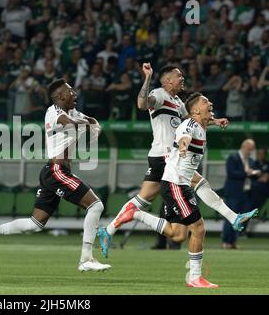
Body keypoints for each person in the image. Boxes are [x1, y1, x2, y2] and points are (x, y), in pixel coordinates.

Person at [98, 63, 257, 257]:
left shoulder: (177, 101)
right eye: (178, 76)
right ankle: (234, 218)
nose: (183, 78)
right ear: (167, 81)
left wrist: (215, 121)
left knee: (143, 202)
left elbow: (191, 121)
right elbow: (141, 104)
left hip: (164, 155)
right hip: (166, 154)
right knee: (199, 183)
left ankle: (109, 230)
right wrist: (147, 78)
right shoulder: (159, 94)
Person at [105, 93, 247, 287]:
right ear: (195, 110)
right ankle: (195, 278)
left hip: (176, 184)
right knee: (199, 228)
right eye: (205, 102)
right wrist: (182, 146)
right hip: (176, 186)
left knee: (178, 235)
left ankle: (136, 214)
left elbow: (197, 125)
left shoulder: (200, 125)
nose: (210, 103)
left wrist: (215, 121)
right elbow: (184, 135)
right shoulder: (190, 125)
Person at [0, 78, 110, 272]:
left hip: (54, 172)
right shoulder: (53, 112)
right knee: (96, 205)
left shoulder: (73, 111)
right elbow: (71, 123)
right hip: (56, 171)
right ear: (60, 96)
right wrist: (90, 125)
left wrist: (92, 123)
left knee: (35, 223)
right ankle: (86, 259)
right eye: (70, 92)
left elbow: (87, 121)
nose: (75, 94)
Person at [222, 139, 260, 249]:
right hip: (233, 193)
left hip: (246, 194)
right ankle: (226, 241)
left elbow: (254, 173)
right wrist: (246, 173)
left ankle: (233, 242)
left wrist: (255, 173)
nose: (250, 152)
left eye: (251, 150)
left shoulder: (251, 161)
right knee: (230, 217)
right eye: (249, 149)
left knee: (241, 219)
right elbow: (231, 173)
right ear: (244, 147)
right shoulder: (233, 158)